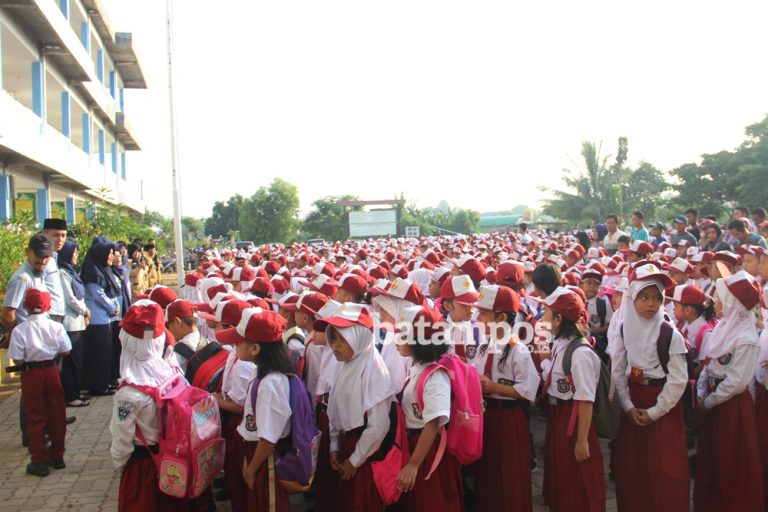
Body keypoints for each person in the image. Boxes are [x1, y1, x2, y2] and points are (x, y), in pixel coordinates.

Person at [610, 265, 689, 512]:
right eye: (644, 297)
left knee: (664, 468)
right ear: (632, 297)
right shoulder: (623, 328)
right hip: (635, 400)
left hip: (662, 403)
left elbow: (678, 379)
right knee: (633, 470)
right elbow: (618, 370)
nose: (651, 304)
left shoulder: (670, 334)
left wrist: (655, 412)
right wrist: (627, 405)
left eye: (656, 297)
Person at [109, 300, 195, 510]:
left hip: (144, 467)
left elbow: (122, 440)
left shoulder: (129, 393)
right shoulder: (173, 374)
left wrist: (121, 466)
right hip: (175, 462)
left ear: (126, 340)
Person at [695, 271, 764, 511]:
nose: (716, 302)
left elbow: (736, 382)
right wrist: (702, 391)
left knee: (729, 460)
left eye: (722, 298)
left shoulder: (746, 338)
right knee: (712, 458)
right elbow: (709, 364)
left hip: (731, 405)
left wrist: (710, 400)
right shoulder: (723, 327)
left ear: (733, 303)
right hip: (714, 399)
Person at [219, 308, 293, 512]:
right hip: (257, 453)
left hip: (267, 459)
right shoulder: (261, 374)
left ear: (255, 348)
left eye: (238, 343)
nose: (235, 347)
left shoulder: (271, 383)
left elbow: (269, 438)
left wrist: (252, 468)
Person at [538, 287, 605, 512]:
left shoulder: (580, 353)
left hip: (573, 419)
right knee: (563, 475)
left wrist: (582, 439)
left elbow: (585, 398)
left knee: (578, 478)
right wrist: (545, 361)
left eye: (546, 313)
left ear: (558, 319)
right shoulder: (560, 343)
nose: (542, 318)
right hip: (559, 415)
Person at [475, 285, 539, 512]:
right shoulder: (484, 345)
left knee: (509, 474)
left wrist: (494, 387)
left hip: (507, 418)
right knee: (489, 474)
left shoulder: (517, 350)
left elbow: (528, 390)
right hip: (487, 417)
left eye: (484, 314)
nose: (478, 319)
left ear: (501, 318)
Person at [396, 306, 463, 512]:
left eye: (403, 335)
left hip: (427, 450)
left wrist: (414, 464)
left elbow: (433, 424)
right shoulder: (417, 367)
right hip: (416, 445)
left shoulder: (435, 377)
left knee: (431, 500)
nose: (397, 339)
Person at [326, 304, 391, 511]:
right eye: (334, 338)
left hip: (364, 454)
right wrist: (334, 445)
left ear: (360, 338)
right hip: (347, 447)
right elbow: (335, 410)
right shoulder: (345, 365)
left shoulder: (374, 371)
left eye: (343, 339)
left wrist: (354, 461)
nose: (335, 345)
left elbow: (378, 426)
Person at [8, 289, 71, 477]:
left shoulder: (20, 330)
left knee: (36, 416)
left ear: (25, 307)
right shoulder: (56, 327)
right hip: (51, 370)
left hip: (31, 373)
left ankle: (39, 461)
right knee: (57, 413)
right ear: (48, 306)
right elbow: (66, 350)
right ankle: (57, 456)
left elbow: (17, 359)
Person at [81, 242, 121, 396]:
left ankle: (104, 383)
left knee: (106, 354)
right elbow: (99, 295)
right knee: (98, 355)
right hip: (97, 320)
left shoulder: (105, 271)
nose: (111, 256)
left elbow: (113, 292)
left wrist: (115, 306)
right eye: (109, 254)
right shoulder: (92, 274)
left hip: (107, 319)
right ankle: (97, 386)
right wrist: (112, 307)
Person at [58, 240, 90, 407]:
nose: (76, 255)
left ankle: (75, 391)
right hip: (70, 323)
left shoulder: (71, 272)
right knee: (71, 362)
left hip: (78, 322)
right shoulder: (62, 273)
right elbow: (70, 299)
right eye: (74, 252)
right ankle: (71, 396)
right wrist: (85, 310)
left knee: (78, 360)